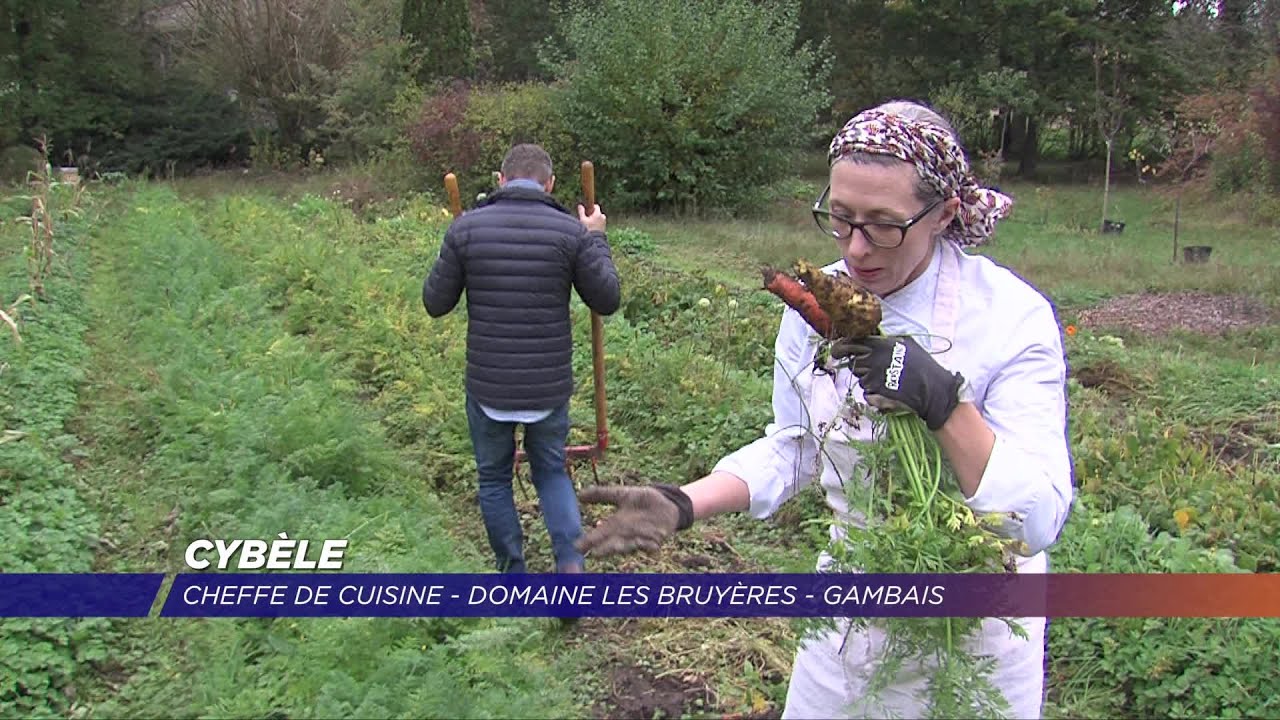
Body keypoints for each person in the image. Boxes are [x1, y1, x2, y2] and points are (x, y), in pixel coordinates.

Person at [574, 101, 1074, 718]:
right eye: (840, 219)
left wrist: (944, 404)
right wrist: (684, 502)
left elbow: (1038, 520)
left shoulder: (1009, 317)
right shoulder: (815, 303)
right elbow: (797, 444)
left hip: (972, 628)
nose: (857, 248)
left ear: (944, 215)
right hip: (852, 600)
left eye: (884, 225)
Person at [423, 143, 620, 574]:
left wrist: (455, 248)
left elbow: (435, 303)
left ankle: (512, 575)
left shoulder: (466, 230)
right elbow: (606, 299)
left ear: (500, 180)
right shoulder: (571, 232)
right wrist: (597, 237)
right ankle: (571, 569)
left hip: (488, 386)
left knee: (493, 478)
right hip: (547, 387)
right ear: (549, 184)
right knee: (550, 472)